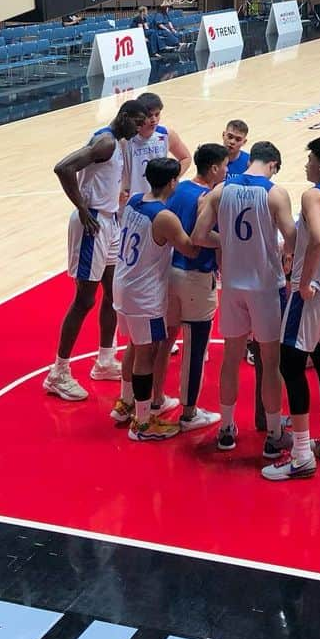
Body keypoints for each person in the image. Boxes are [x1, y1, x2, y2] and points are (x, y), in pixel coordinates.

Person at [192, 141, 297, 457]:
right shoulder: (275, 193)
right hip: (266, 288)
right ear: (274, 165)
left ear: (251, 160)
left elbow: (198, 236)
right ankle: (275, 433)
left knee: (231, 360)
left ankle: (226, 428)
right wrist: (276, 248)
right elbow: (292, 240)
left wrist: (230, 242)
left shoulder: (221, 190)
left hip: (233, 287)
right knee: (270, 361)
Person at [263, 138, 320, 482]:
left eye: (309, 159)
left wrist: (305, 281)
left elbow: (317, 238)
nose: (305, 165)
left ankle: (301, 454)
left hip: (314, 291)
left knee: (290, 364)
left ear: (319, 164)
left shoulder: (314, 195)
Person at [43, 99, 147, 402]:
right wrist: (82, 209)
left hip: (110, 221)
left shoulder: (117, 141)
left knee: (114, 294)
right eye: (137, 122)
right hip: (93, 225)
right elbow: (63, 167)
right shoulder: (105, 142)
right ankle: (58, 373)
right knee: (84, 299)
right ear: (124, 117)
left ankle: (104, 361)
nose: (140, 128)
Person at [113, 157, 193, 442]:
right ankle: (143, 423)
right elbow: (190, 248)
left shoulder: (134, 201)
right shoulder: (164, 217)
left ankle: (125, 403)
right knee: (146, 352)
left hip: (123, 285)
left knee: (134, 346)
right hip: (143, 294)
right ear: (172, 182)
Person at [161, 142, 230, 433]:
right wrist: (228, 240)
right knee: (195, 348)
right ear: (214, 168)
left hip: (169, 273)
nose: (227, 170)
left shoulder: (178, 189)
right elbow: (199, 237)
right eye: (225, 165)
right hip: (196, 277)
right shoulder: (208, 198)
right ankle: (189, 413)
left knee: (165, 340)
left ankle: (155, 399)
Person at [122, 92, 192, 199]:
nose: (154, 119)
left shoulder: (166, 134)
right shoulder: (126, 139)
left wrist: (173, 178)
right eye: (149, 115)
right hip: (131, 199)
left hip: (159, 197)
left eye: (157, 114)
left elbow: (185, 158)